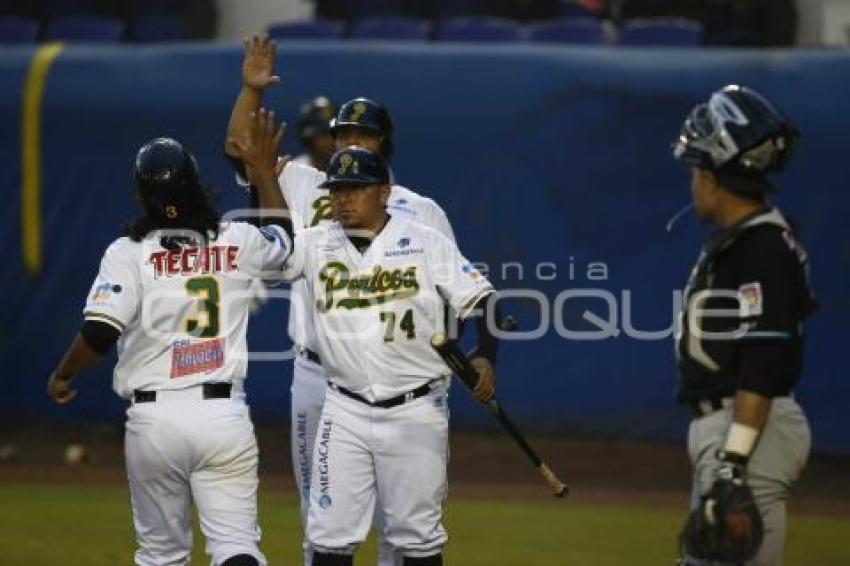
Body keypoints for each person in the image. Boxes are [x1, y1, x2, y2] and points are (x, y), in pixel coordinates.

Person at [224, 35, 455, 566]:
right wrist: (249, 91)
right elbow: (243, 147)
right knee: (323, 526)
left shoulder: (423, 212)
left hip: (404, 382)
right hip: (321, 378)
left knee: (405, 533)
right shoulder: (307, 186)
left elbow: (451, 302)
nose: (349, 141)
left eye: (362, 134)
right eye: (342, 134)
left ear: (385, 143)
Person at [234, 137, 499, 566]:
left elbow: (484, 300)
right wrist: (265, 176)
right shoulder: (316, 243)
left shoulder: (425, 241)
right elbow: (275, 247)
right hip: (344, 411)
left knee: (417, 540)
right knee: (329, 539)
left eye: (355, 188)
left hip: (416, 409)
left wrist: (485, 355)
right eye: (337, 190)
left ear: (383, 192)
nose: (344, 199)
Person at [46, 135, 290, 566]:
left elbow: (100, 333)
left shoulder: (129, 252)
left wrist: (64, 373)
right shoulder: (236, 238)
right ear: (195, 182)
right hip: (222, 416)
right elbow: (284, 239)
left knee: (162, 554)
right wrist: (266, 176)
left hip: (154, 420)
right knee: (236, 546)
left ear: (143, 195)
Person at [672, 85, 817, 565]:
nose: (693, 182)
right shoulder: (749, 241)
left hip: (748, 428)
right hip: (740, 427)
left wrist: (733, 462)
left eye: (697, 169)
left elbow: (764, 360)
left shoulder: (762, 248)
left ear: (714, 178)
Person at [292, 95, 337, 172]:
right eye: (324, 133)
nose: (332, 139)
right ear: (308, 139)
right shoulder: (293, 171)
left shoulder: (355, 172)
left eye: (335, 132)